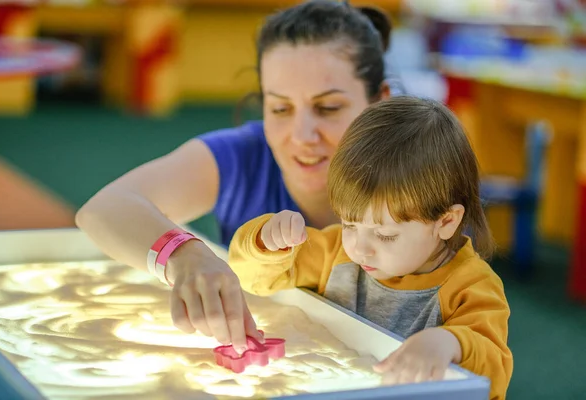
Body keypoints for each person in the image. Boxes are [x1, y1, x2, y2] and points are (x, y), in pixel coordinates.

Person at [75, 0, 392, 353]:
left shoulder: (426, 180)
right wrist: (185, 256)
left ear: (381, 103)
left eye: (328, 108)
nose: (302, 134)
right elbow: (102, 209)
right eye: (280, 108)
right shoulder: (243, 155)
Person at [228, 97, 513, 399]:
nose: (359, 248)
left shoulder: (472, 286)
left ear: (445, 221)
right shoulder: (335, 250)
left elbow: (493, 376)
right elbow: (249, 278)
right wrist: (265, 241)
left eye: (385, 235)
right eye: (350, 224)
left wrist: (450, 343)